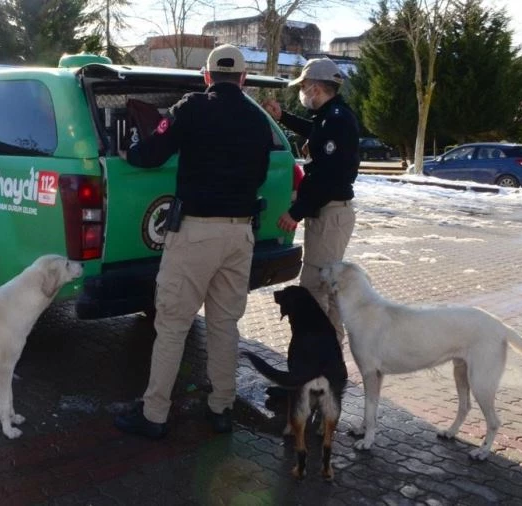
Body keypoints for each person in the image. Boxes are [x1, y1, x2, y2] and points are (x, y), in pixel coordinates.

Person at [114, 44, 274, 439]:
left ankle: (154, 415)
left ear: (206, 77)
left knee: (172, 324)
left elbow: (151, 153)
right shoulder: (259, 121)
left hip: (196, 232)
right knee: (224, 325)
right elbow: (260, 174)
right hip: (240, 233)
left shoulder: (191, 107)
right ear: (243, 79)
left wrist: (128, 152)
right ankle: (220, 408)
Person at [263, 58, 359, 344]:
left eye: (303, 87)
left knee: (316, 288)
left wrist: (296, 212)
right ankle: (326, 358)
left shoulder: (337, 120)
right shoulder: (332, 115)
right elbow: (318, 135)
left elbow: (328, 177)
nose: (301, 93)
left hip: (330, 215)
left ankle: (319, 358)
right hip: (328, 214)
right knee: (326, 289)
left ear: (316, 89)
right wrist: (285, 117)